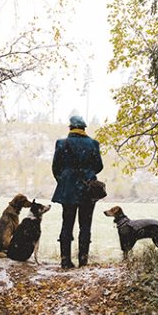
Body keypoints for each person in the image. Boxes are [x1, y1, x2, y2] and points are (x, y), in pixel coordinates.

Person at [51, 115, 104, 269]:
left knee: (67, 224)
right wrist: (87, 171)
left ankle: (65, 260)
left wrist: (64, 180)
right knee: (85, 225)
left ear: (70, 128)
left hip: (68, 190)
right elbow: (99, 166)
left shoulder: (62, 143)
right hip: (88, 189)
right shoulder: (93, 144)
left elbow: (56, 167)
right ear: (84, 128)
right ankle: (83, 260)